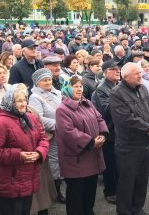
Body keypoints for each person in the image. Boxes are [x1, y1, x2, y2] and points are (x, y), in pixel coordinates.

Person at [0, 84, 49, 215]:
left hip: (29, 180)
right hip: (10, 183)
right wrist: (19, 156)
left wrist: (39, 153)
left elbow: (43, 138)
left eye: (25, 100)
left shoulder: (29, 117)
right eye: (19, 101)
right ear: (10, 102)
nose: (24, 104)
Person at [110, 62, 149, 215]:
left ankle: (137, 209)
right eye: (137, 74)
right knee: (127, 183)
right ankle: (125, 211)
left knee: (141, 181)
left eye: (140, 73)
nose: (141, 76)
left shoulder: (143, 88)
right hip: (128, 146)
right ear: (125, 76)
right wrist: (148, 128)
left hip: (145, 143)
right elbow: (125, 119)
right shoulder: (117, 93)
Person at [55, 75, 108, 215]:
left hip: (92, 155)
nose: (79, 88)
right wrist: (91, 142)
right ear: (67, 88)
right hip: (76, 159)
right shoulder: (62, 109)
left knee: (90, 192)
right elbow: (68, 132)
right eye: (75, 86)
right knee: (76, 196)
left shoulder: (87, 103)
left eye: (80, 86)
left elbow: (99, 118)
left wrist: (103, 134)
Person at [28, 69, 65, 204]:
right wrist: (60, 124)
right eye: (44, 80)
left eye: (49, 79)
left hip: (62, 134)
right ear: (37, 83)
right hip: (52, 135)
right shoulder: (35, 98)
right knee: (54, 163)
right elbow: (38, 119)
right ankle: (56, 192)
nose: (48, 82)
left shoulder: (57, 93)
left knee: (60, 161)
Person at [91, 60, 121, 205]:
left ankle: (116, 188)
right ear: (105, 72)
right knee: (109, 163)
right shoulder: (101, 89)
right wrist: (123, 101)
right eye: (113, 69)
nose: (118, 70)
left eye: (118, 68)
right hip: (108, 131)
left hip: (118, 131)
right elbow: (106, 110)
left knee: (117, 163)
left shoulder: (116, 86)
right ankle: (109, 191)